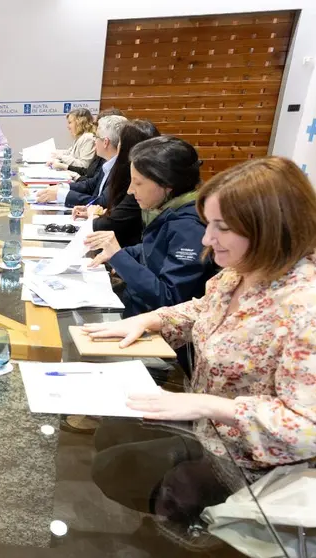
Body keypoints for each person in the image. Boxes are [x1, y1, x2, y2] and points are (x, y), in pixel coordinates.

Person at [86, 157, 316, 524]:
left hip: (254, 465)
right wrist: (151, 319)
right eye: (209, 224)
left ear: (269, 229)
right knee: (110, 434)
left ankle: (186, 530)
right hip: (205, 428)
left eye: (220, 228)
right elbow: (201, 310)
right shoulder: (241, 272)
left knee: (111, 467)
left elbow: (306, 430)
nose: (207, 239)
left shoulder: (305, 307)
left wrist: (209, 405)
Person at [84, 136, 218, 317]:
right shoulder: (167, 209)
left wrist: (119, 257)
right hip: (136, 308)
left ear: (167, 184)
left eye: (138, 182)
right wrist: (121, 255)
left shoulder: (190, 228)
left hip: (153, 325)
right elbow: (155, 249)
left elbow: (169, 299)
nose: (130, 190)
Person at [72, 120, 160, 247]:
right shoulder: (130, 174)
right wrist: (103, 213)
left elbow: (112, 225)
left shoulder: (137, 181)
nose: (131, 190)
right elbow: (120, 214)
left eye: (119, 142)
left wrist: (94, 215)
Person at [37, 115, 127, 207]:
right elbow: (90, 185)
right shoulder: (107, 162)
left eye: (96, 136)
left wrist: (61, 195)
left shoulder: (122, 170)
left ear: (105, 142)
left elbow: (102, 203)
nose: (94, 140)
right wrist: (62, 187)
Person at [66, 108, 125, 180]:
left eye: (97, 137)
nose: (94, 140)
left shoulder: (88, 138)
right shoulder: (104, 160)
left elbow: (85, 169)